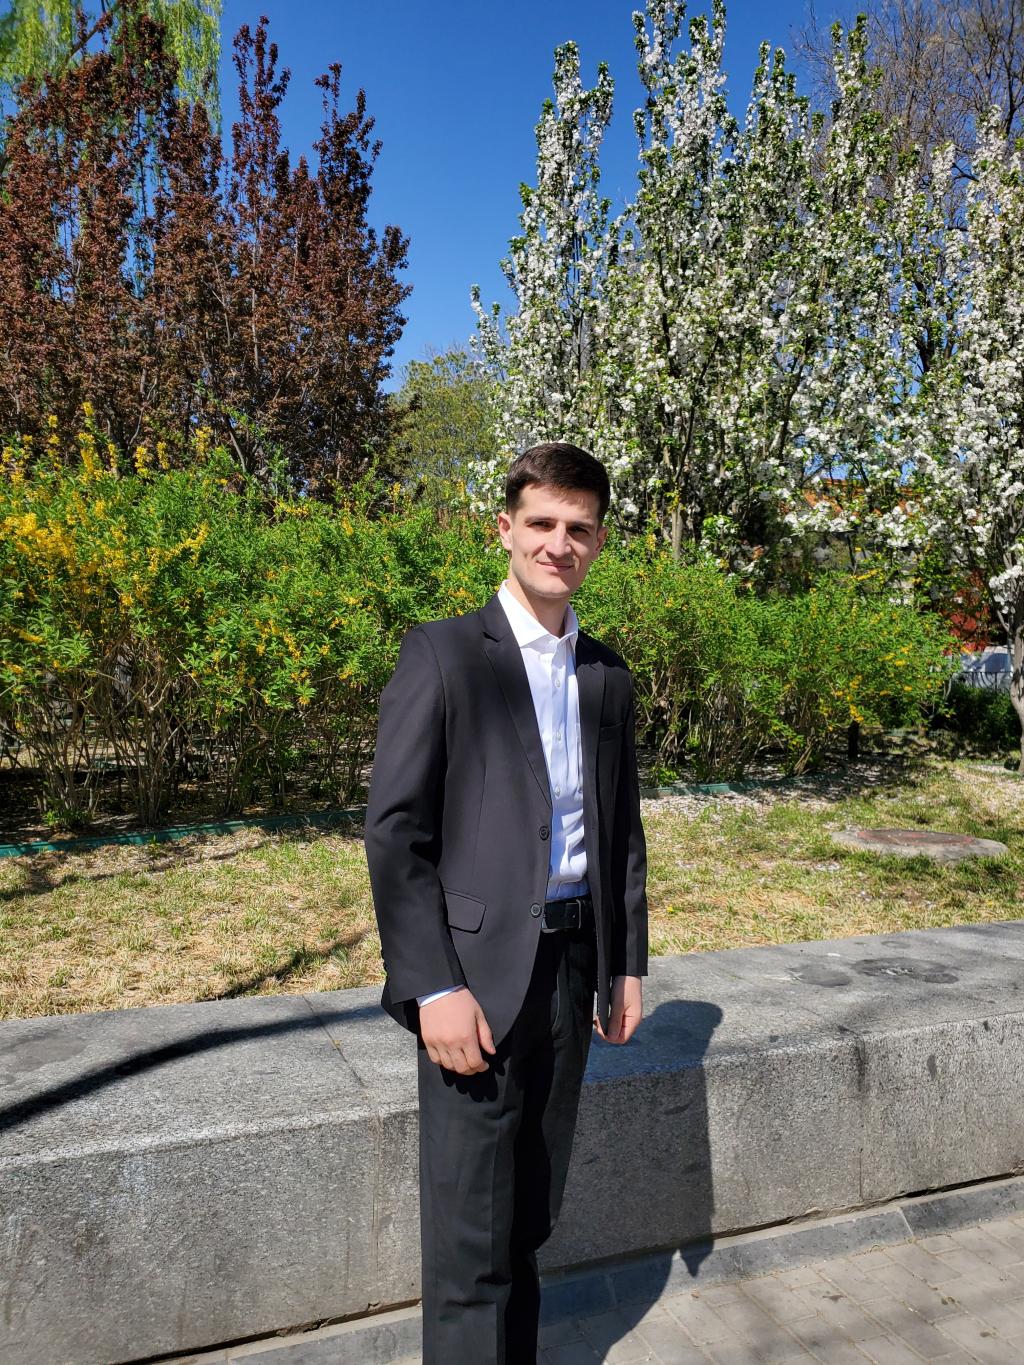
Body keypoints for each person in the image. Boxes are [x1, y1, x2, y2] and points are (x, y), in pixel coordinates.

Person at [364, 441, 648, 1364]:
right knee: (469, 1237)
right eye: (542, 523)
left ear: (598, 542)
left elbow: (620, 832)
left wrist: (625, 965)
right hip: (474, 981)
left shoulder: (606, 675)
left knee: (529, 1214)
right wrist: (433, 986)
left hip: (570, 971)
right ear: (505, 529)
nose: (559, 543)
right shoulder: (445, 653)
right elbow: (395, 832)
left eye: (580, 529)